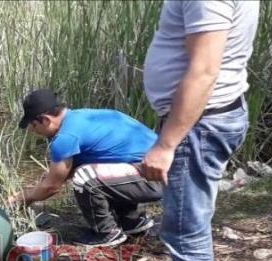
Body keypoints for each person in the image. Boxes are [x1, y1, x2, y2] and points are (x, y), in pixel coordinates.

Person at [130, 1, 259, 261]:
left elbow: (204, 69)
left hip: (196, 125)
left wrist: (166, 143)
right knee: (195, 217)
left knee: (184, 227)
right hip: (212, 116)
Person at [9, 89, 163, 246]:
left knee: (84, 177)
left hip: (156, 175)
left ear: (46, 120)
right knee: (95, 170)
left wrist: (21, 198)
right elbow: (62, 174)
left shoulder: (66, 137)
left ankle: (106, 232)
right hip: (161, 169)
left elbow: (51, 187)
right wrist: (45, 181)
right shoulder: (81, 117)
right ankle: (132, 222)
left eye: (33, 125)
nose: (33, 131)